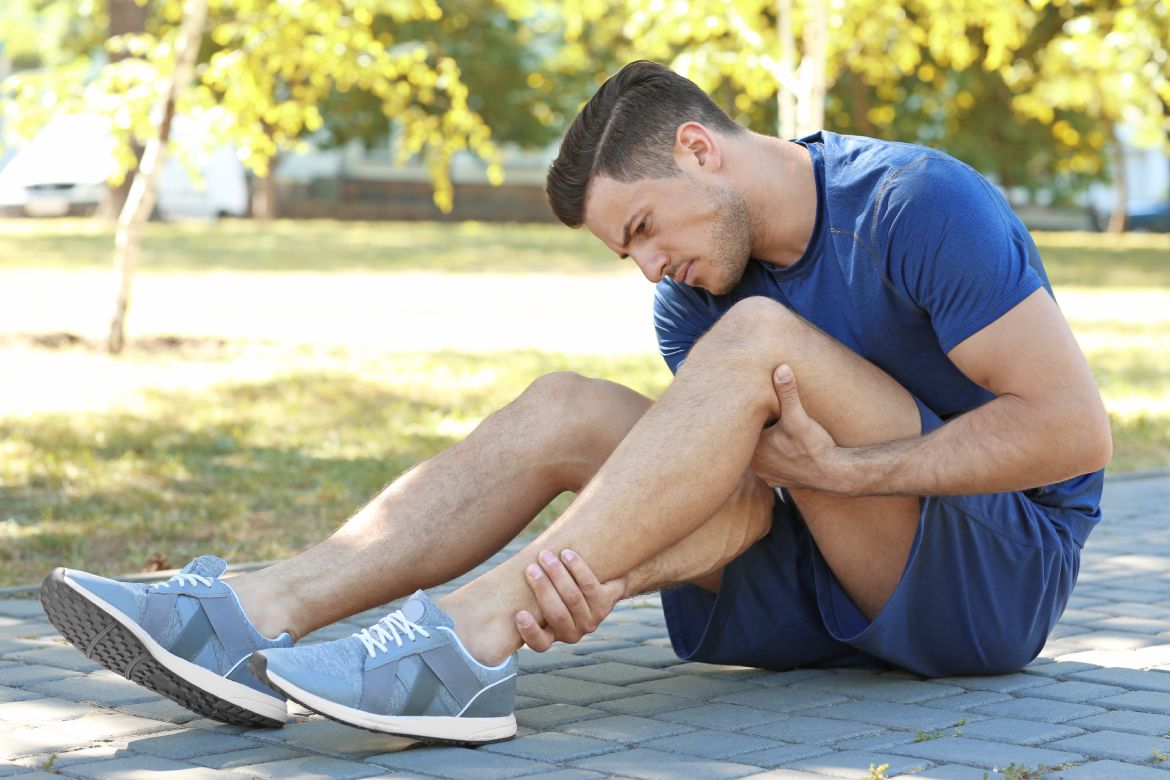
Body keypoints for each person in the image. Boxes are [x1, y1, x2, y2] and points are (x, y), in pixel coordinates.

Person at [40, 60, 1111, 746]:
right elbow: (737, 506)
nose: (648, 268)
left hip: (994, 578)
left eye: (644, 228)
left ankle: (464, 637)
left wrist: (853, 473)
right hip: (822, 579)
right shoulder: (697, 296)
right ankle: (251, 614)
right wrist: (609, 575)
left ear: (698, 148)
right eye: (625, 250)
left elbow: (1073, 430)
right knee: (566, 406)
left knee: (757, 345)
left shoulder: (918, 204)